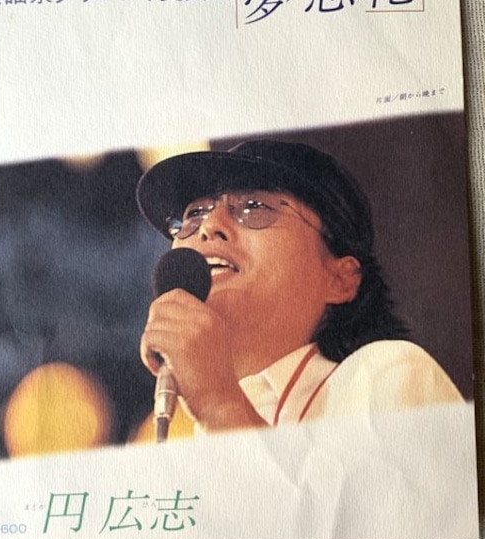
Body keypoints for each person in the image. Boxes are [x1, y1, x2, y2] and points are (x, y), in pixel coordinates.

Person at [135, 139, 463, 434]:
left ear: (340, 279)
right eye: (193, 215)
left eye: (254, 207)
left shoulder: (389, 370)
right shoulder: (182, 427)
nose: (208, 226)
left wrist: (220, 406)